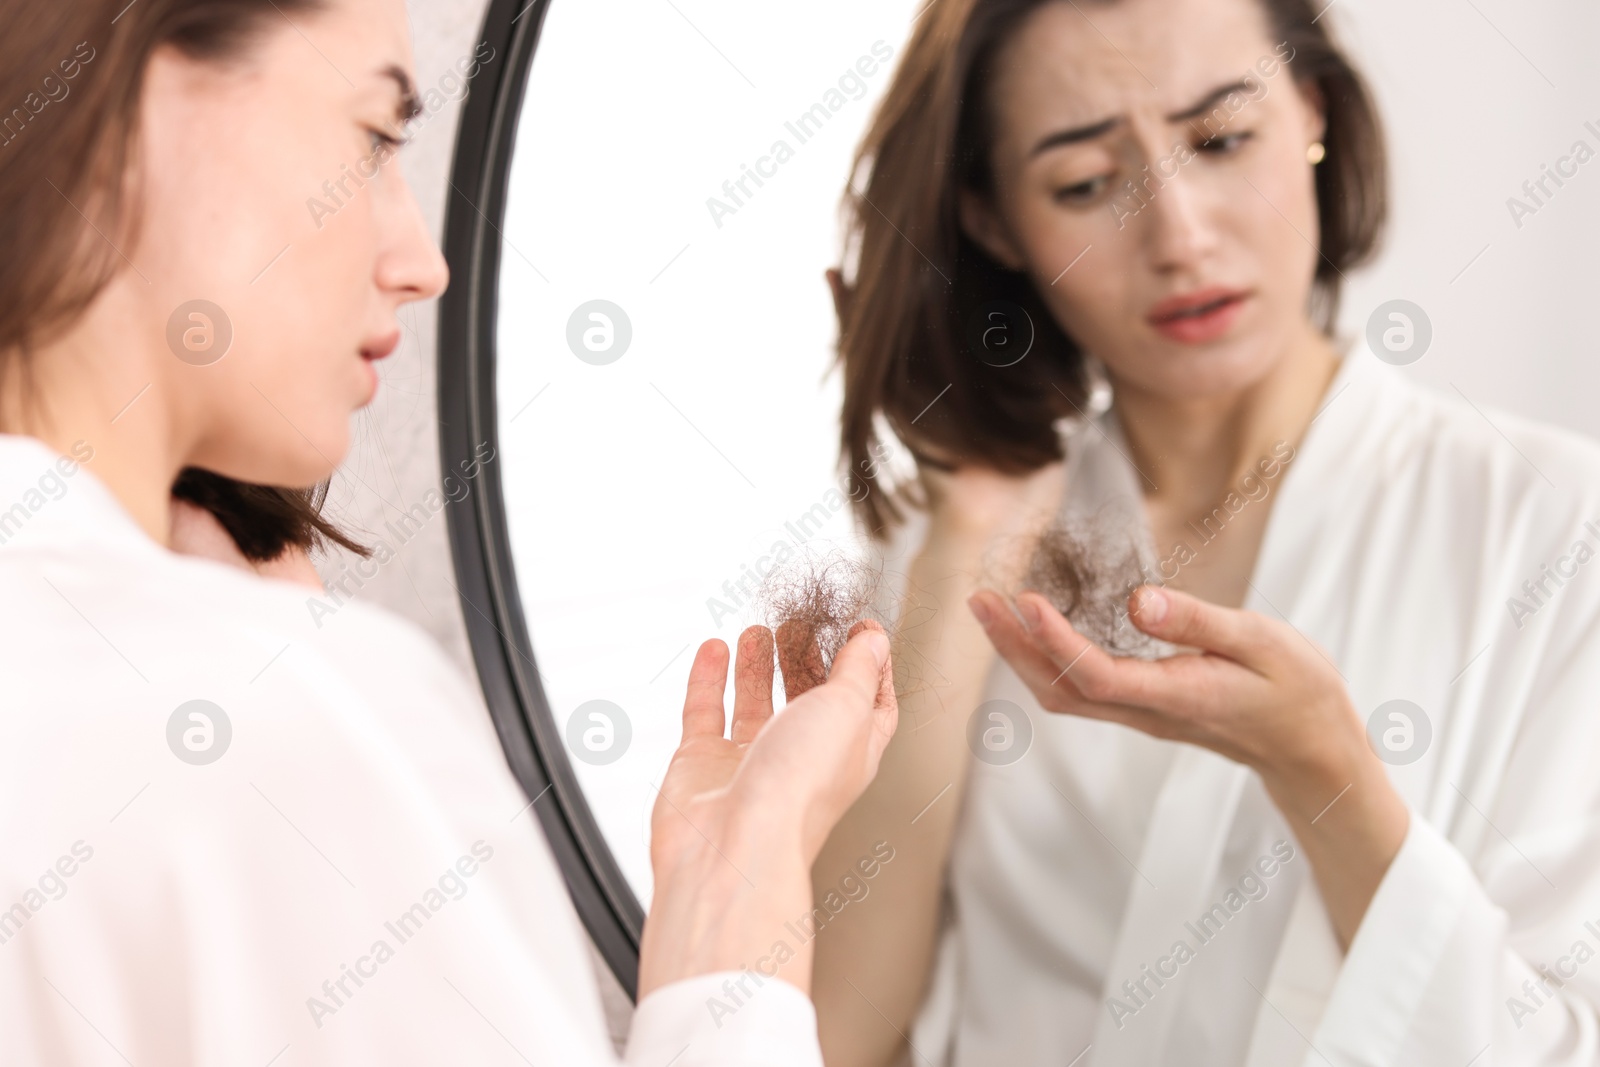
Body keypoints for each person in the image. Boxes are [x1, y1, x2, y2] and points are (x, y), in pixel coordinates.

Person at [0, 0, 897, 1063]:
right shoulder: (280, 720)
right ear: (141, 103)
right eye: (375, 136)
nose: (424, 261)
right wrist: (744, 938)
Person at [813, 0, 1600, 1065]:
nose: (1178, 235)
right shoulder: (957, 534)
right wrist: (963, 545)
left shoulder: (1554, 525)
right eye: (1085, 185)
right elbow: (829, 1037)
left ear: (1313, 112)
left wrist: (1330, 781)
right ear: (993, 220)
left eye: (1223, 140)